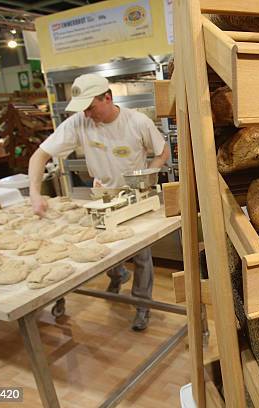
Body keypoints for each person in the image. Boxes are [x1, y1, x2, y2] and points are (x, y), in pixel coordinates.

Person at [28, 73, 170, 331]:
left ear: (108, 97)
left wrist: (147, 174)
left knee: (141, 254)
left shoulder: (137, 122)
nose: (87, 114)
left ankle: (142, 304)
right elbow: (40, 155)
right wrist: (35, 193)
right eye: (82, 109)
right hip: (102, 195)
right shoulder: (79, 123)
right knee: (105, 248)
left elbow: (163, 152)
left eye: (90, 107)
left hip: (134, 195)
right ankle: (117, 274)